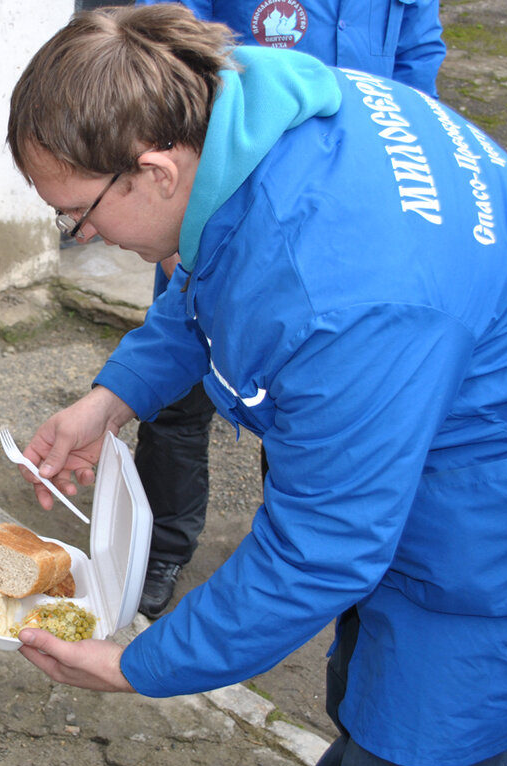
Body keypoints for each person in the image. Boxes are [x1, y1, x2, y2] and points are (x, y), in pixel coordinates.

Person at [6, 5, 507, 766]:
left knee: (409, 762)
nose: (79, 237)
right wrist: (113, 398)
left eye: (78, 214)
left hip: (503, 540)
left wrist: (137, 664)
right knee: (366, 704)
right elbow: (214, 268)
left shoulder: (340, 298)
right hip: (433, 435)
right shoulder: (249, 115)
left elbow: (321, 548)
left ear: (154, 170)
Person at [129, 0, 446, 619]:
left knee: (310, 413)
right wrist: (179, 216)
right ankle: (161, 545)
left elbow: (417, 53)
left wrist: (402, 160)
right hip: (214, 197)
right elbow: (165, 36)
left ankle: (294, 561)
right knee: (176, 397)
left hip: (348, 216)